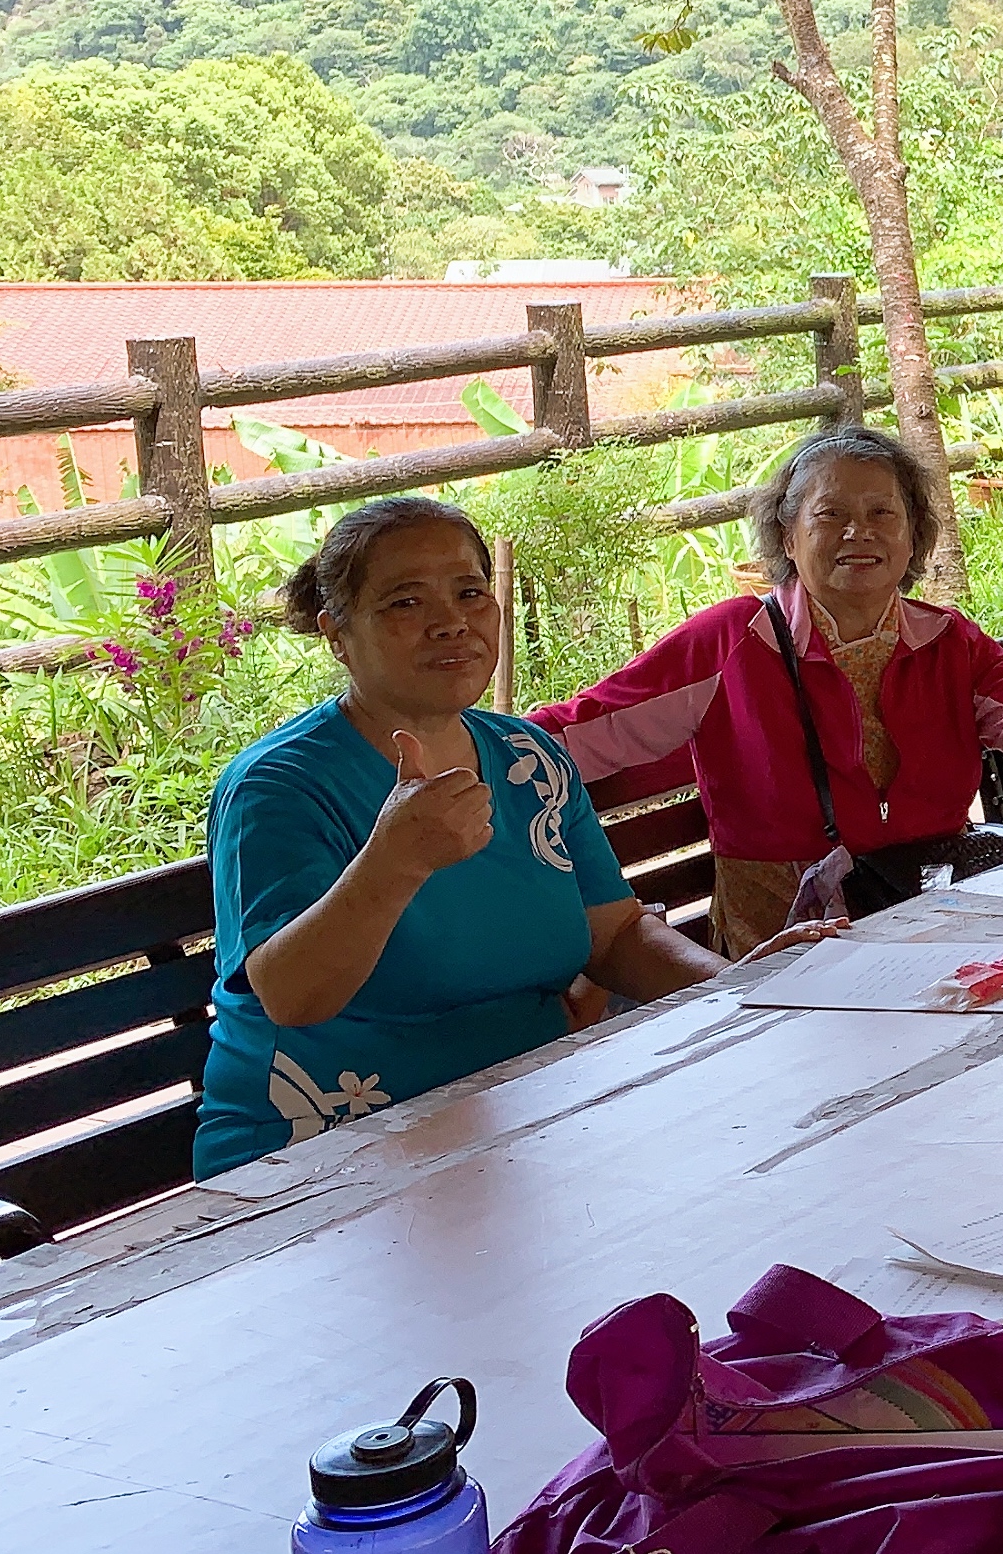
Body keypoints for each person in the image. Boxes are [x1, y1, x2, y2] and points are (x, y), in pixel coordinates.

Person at [199, 498, 836, 1176]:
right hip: (327, 1157)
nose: (450, 623)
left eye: (470, 593)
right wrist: (393, 863)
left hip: (525, 1120)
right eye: (406, 603)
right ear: (337, 633)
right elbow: (292, 997)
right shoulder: (280, 785)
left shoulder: (527, 758)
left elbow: (613, 934)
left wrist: (736, 985)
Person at [536, 427, 1003, 956]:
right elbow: (582, 732)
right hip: (787, 942)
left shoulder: (946, 641)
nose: (858, 534)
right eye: (830, 515)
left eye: (882, 515)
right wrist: (446, 745)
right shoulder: (732, 643)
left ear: (912, 535)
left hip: (933, 919)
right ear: (787, 531)